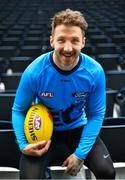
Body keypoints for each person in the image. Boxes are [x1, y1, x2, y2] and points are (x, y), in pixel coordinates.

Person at [12, 9, 115, 179]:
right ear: (52, 41)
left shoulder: (94, 71)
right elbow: (18, 110)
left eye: (75, 40)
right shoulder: (35, 71)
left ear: (83, 42)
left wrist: (80, 154)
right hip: (43, 131)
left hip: (77, 127)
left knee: (107, 172)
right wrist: (23, 144)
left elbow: (96, 114)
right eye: (61, 40)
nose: (68, 48)